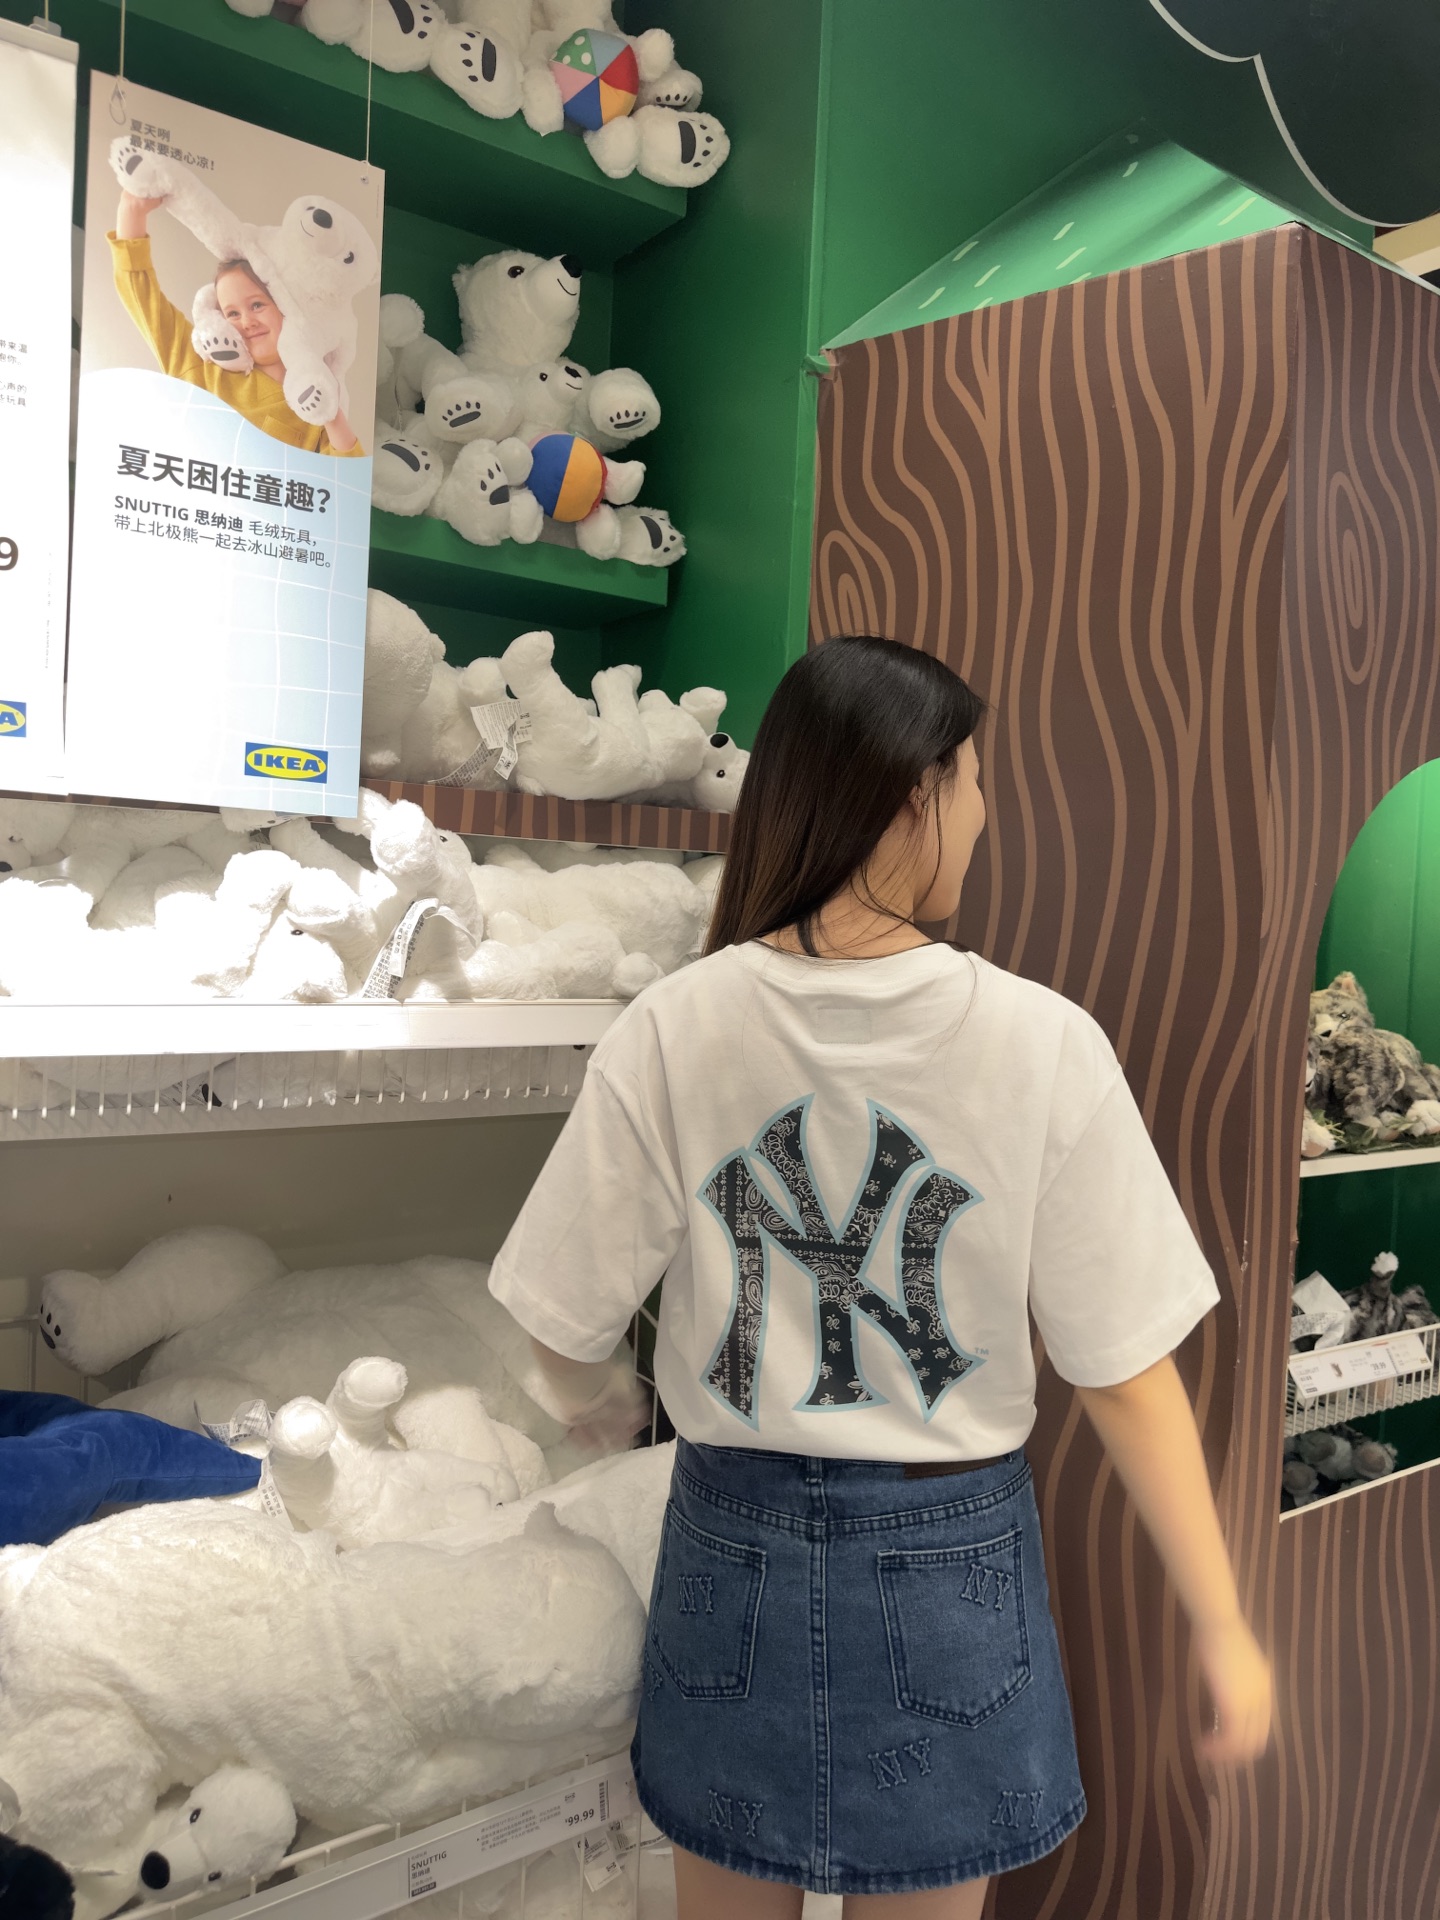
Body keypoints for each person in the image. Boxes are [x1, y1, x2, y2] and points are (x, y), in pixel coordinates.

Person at [488, 636, 1272, 1918]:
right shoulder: (1044, 1044)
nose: (984, 812)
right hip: (951, 1572)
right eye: (976, 780)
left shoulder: (673, 1026)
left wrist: (600, 1407)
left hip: (729, 1557)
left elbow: (560, 1323)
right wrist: (1223, 1624)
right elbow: (1127, 1374)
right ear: (916, 792)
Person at [110, 188, 361, 456]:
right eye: (232, 313)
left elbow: (345, 474)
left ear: (285, 306)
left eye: (257, 305)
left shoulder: (311, 403)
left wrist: (329, 404)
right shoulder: (196, 365)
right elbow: (143, 298)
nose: (247, 321)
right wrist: (131, 212)